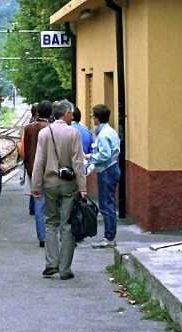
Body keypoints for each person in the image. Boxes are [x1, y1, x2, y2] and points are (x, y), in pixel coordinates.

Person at [31, 100, 87, 280]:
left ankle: (51, 264)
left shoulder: (44, 133)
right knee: (67, 224)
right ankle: (64, 269)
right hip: (69, 185)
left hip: (49, 184)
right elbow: (78, 163)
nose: (72, 115)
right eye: (71, 113)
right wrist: (83, 187)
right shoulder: (74, 133)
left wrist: (35, 186)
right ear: (65, 114)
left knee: (50, 222)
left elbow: (39, 161)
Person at [87, 104, 121, 248]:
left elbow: (105, 154)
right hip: (112, 168)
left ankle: (109, 238)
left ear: (97, 118)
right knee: (109, 203)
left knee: (106, 205)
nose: (92, 119)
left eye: (93, 116)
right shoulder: (110, 131)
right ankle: (110, 236)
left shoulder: (103, 135)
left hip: (107, 170)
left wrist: (91, 158)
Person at [23, 100, 51, 247]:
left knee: (38, 205)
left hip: (32, 170)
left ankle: (42, 237)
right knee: (51, 206)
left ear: (38, 112)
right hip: (49, 171)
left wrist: (28, 168)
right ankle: (51, 234)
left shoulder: (28, 128)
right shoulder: (50, 129)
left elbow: (26, 151)